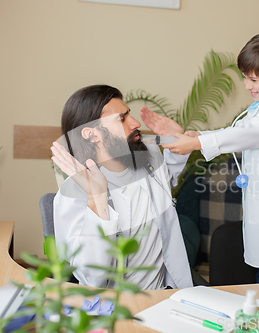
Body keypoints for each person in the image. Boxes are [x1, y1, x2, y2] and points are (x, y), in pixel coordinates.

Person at [142, 32, 259, 283]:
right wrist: (193, 135)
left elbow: (249, 135)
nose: (247, 85)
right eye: (245, 78)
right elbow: (236, 132)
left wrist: (196, 143)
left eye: (254, 79)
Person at [50, 84, 193, 290]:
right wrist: (97, 199)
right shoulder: (73, 193)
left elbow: (164, 185)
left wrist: (177, 139)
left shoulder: (149, 156)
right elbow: (92, 277)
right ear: (91, 135)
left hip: (164, 294)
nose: (135, 123)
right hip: (115, 307)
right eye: (122, 119)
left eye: (129, 115)